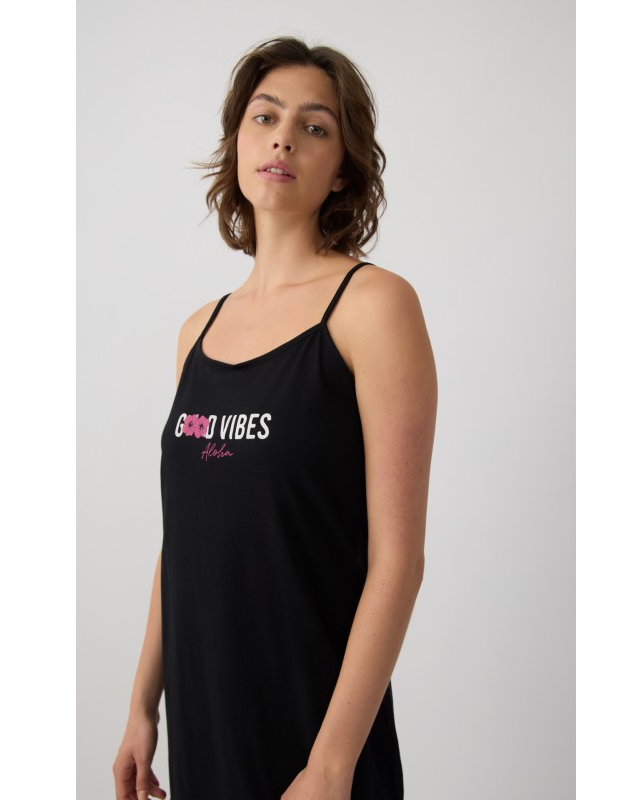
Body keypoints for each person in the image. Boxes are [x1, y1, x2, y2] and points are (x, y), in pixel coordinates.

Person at [112, 35, 437, 800]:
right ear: (237, 143)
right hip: (205, 722)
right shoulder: (198, 331)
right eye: (265, 117)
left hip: (315, 733)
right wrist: (141, 707)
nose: (284, 137)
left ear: (342, 169)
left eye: (314, 126)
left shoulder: (373, 307)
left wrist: (330, 767)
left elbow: (397, 560)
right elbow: (184, 537)